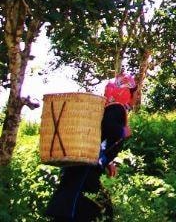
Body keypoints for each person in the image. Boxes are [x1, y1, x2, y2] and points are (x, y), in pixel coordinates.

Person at [45, 73, 136, 222]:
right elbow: (107, 127)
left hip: (86, 168)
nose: (136, 97)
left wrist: (108, 162)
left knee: (90, 205)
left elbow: (97, 138)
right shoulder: (117, 110)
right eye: (134, 93)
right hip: (86, 170)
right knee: (82, 206)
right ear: (125, 92)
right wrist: (123, 131)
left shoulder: (106, 110)